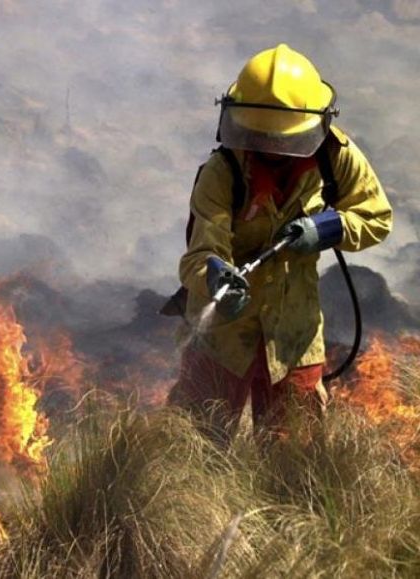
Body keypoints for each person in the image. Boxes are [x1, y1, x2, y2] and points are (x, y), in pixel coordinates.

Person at [166, 43, 393, 445]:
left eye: (281, 140)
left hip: (294, 335)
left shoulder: (335, 156)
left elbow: (375, 217)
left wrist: (327, 229)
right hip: (222, 337)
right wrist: (217, 277)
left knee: (294, 455)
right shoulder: (223, 172)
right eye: (259, 137)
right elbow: (199, 255)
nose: (271, 149)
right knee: (194, 448)